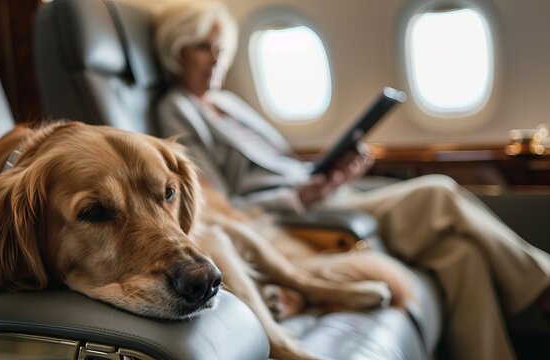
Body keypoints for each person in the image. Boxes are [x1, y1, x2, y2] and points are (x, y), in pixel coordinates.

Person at [153, 1, 550, 359]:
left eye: (222, 50)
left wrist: (336, 173)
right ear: (176, 51)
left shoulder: (228, 104)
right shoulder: (177, 111)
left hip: (321, 194)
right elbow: (219, 207)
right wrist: (301, 197)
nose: (217, 60)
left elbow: (282, 163)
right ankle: (544, 284)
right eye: (204, 48)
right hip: (292, 214)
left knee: (462, 256)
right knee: (438, 191)